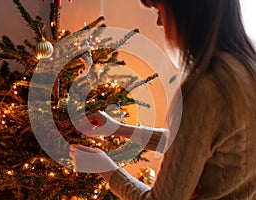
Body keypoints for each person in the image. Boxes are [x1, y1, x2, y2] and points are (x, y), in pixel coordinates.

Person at [69, 0, 256, 199]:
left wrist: (105, 168)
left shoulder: (206, 91)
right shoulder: (245, 68)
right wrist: (120, 129)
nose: (159, 22)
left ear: (187, 14)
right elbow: (192, 146)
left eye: (160, 11)